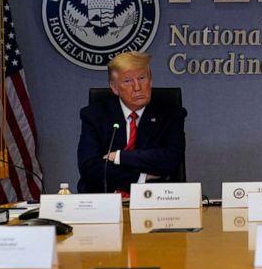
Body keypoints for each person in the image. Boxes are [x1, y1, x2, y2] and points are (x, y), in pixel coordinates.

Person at [77, 51, 186, 193]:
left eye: (142, 78)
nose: (137, 87)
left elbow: (171, 160)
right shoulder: (94, 115)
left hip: (155, 199)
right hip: (103, 200)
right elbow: (89, 167)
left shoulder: (171, 114)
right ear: (115, 88)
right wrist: (141, 177)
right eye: (128, 81)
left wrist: (120, 156)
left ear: (150, 80)